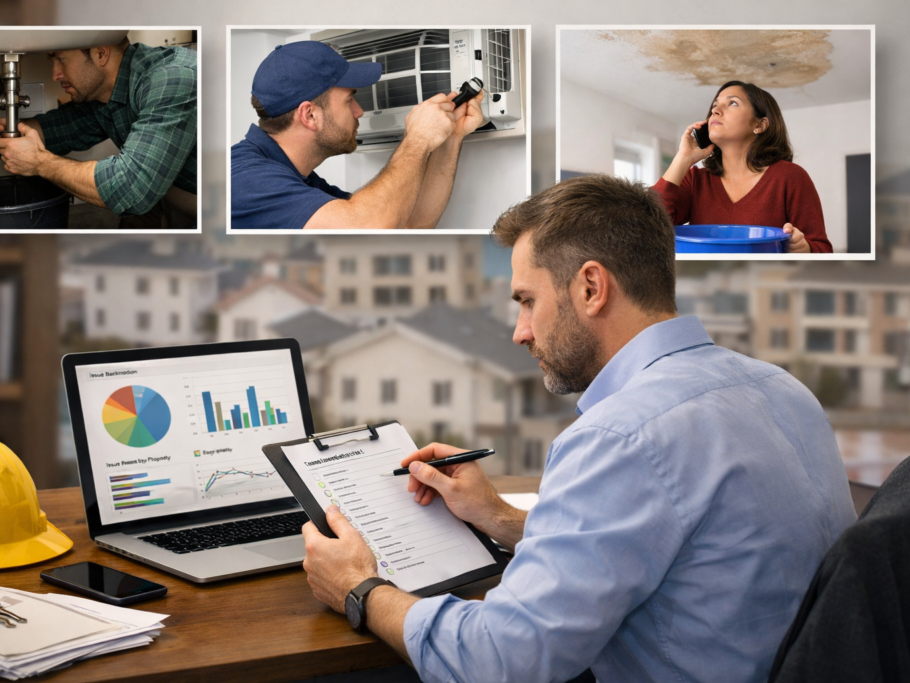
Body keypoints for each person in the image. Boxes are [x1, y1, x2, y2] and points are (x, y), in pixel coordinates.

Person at [301, 174, 856, 682]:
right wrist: (498, 518)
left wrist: (359, 587)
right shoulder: (783, 389)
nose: (520, 332)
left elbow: (499, 661)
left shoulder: (623, 436)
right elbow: (665, 542)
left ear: (591, 287)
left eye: (527, 301)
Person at [230, 41, 484, 230]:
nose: (359, 111)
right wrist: (417, 139)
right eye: (349, 100)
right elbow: (370, 229)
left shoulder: (299, 181)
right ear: (309, 115)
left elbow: (409, 225)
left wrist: (451, 137)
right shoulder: (247, 179)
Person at [0, 36, 198, 229]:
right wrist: (12, 137)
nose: (55, 75)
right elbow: (59, 128)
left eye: (61, 59)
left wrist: (38, 161)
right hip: (166, 192)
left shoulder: (171, 78)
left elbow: (129, 189)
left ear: (101, 53)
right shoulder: (106, 93)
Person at [653, 80, 832, 253]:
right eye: (715, 105)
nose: (715, 110)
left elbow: (823, 249)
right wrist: (683, 158)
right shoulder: (695, 180)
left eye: (732, 103)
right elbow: (648, 224)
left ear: (760, 125)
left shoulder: (791, 177)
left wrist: (803, 248)